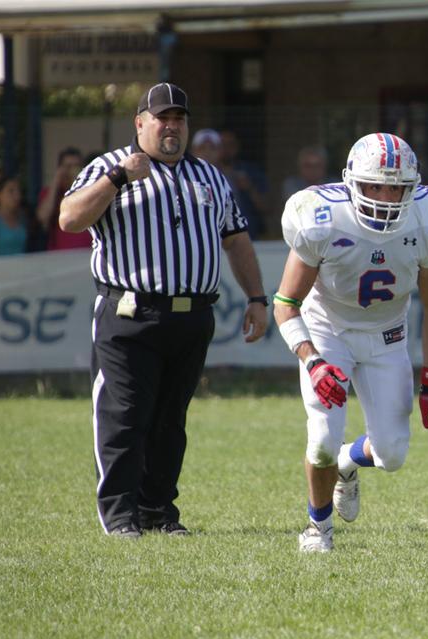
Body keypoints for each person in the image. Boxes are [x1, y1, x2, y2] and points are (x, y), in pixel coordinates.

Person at [59, 82, 269, 538]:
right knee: (125, 415)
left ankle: (158, 510)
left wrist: (257, 298)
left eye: (179, 119)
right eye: (162, 118)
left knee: (171, 420)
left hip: (192, 316)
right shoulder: (110, 166)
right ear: (140, 123)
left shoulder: (209, 176)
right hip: (129, 314)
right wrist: (117, 179)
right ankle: (120, 514)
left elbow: (235, 239)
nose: (172, 127)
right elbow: (69, 218)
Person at [274, 132, 428, 553]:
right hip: (327, 332)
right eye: (375, 186)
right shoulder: (320, 217)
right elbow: (285, 304)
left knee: (392, 454)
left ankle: (347, 462)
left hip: (387, 337)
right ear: (353, 182)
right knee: (322, 438)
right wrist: (312, 360)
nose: (386, 198)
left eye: (396, 188)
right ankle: (318, 527)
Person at [218, 129, 270, 240]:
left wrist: (249, 187)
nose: (226, 149)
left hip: (248, 234)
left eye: (230, 145)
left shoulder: (251, 171)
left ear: (237, 147)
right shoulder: (209, 172)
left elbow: (266, 208)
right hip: (218, 234)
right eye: (222, 145)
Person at [36, 146, 91, 251]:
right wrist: (56, 181)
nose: (72, 170)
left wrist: (79, 182)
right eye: (68, 166)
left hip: (86, 251)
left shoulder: (88, 190)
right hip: (60, 254)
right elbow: (42, 217)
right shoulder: (50, 192)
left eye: (76, 166)